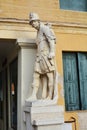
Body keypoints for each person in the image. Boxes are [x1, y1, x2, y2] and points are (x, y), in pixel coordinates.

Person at [27, 12, 56, 101]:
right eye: (31, 23)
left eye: (33, 22)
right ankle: (34, 95)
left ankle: (49, 96)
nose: (32, 25)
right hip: (39, 57)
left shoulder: (44, 28)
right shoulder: (38, 32)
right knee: (37, 75)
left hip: (46, 56)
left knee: (49, 76)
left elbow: (51, 40)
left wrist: (52, 52)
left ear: (38, 21)